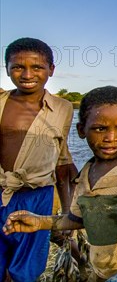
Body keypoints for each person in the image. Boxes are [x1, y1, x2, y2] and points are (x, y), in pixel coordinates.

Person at [3, 86, 117, 281]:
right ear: (81, 130)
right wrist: (40, 222)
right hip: (101, 271)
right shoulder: (86, 173)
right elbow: (77, 219)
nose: (111, 138)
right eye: (100, 129)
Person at [0, 37, 76, 282]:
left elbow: (62, 160)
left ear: (51, 70)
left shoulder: (63, 108)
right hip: (1, 190)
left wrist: (67, 213)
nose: (27, 74)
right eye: (18, 67)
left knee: (26, 268)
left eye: (37, 67)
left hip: (37, 196)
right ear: (7, 69)